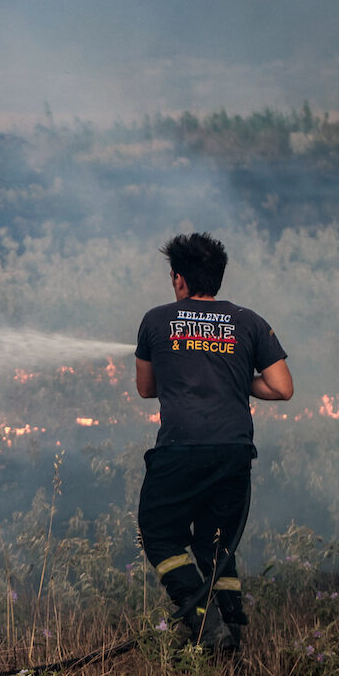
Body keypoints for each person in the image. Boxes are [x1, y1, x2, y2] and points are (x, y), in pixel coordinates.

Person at [135, 232, 293, 652]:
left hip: (180, 448)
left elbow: (146, 389)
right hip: (233, 451)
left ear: (179, 279)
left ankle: (206, 626)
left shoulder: (155, 320)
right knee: (215, 541)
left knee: (160, 533)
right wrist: (238, 376)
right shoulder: (250, 321)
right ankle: (232, 632)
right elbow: (282, 388)